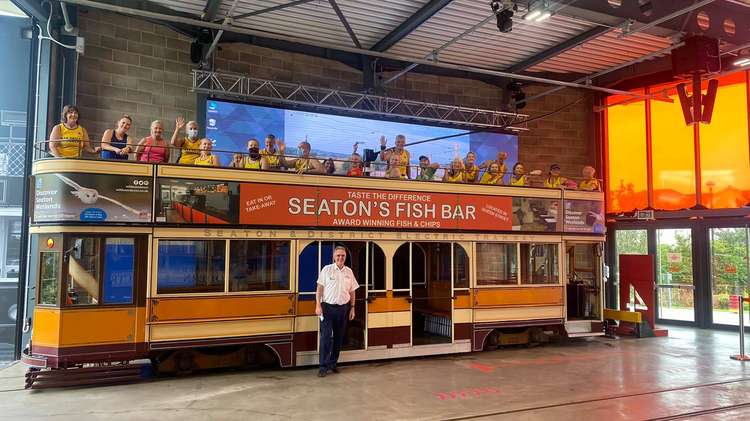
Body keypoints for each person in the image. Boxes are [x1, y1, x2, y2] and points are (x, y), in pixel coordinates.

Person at [315, 246, 359, 377]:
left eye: (343, 256)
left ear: (346, 257)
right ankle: (323, 367)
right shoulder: (326, 270)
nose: (340, 258)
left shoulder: (349, 272)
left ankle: (333, 364)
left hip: (343, 309)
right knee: (326, 338)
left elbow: (352, 291)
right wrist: (318, 305)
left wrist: (352, 307)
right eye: (338, 255)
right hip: (327, 308)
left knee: (339, 338)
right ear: (334, 257)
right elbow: (319, 289)